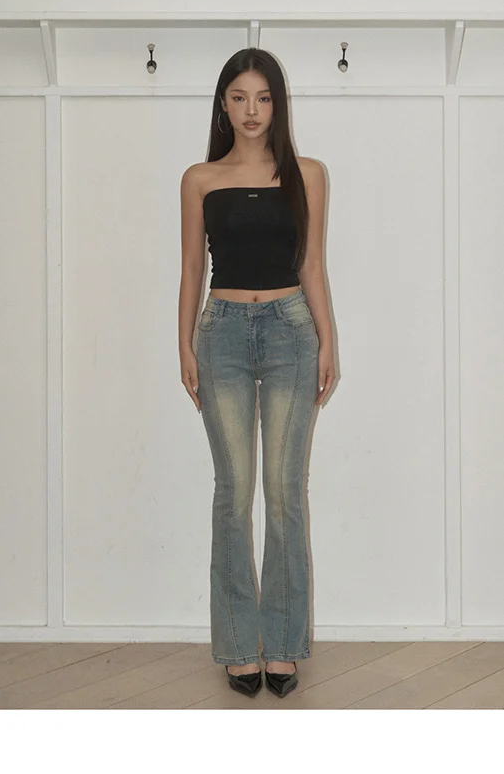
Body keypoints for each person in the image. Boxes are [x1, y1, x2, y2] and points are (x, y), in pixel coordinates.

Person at [178, 47, 336, 698]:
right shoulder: (199, 179)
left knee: (284, 492)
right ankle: (241, 646)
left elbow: (312, 265)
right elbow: (192, 268)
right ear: (223, 104)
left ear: (278, 104)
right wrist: (184, 345)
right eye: (239, 97)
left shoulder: (308, 174)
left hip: (291, 331)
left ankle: (286, 645)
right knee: (233, 491)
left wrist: (327, 342)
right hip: (220, 334)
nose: (251, 110)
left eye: (263, 98)